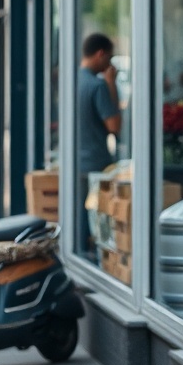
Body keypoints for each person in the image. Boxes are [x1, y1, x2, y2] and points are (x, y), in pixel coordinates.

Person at [78, 32, 121, 254]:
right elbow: (114, 126)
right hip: (96, 164)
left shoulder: (72, 81)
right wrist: (111, 84)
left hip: (75, 164)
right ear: (100, 54)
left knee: (78, 222)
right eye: (109, 58)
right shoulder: (98, 86)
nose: (109, 64)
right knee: (97, 221)